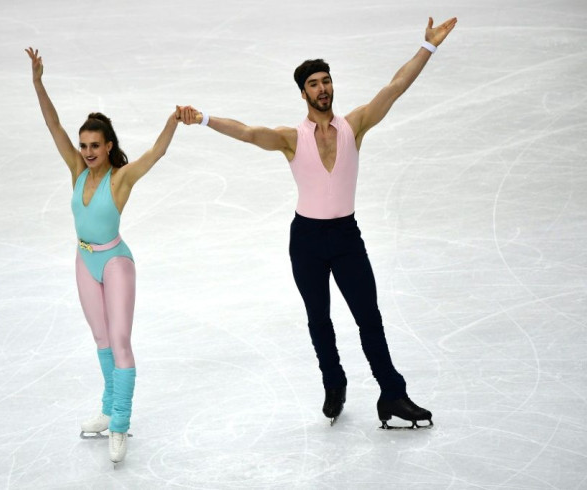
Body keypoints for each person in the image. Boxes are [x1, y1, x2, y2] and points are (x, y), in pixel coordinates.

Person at [177, 17, 457, 428]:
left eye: (326, 81)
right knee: (318, 318)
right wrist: (202, 119)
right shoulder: (292, 137)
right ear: (303, 92)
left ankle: (392, 393)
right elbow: (250, 133)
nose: (322, 88)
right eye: (314, 83)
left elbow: (395, 88)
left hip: (346, 236)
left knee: (369, 317)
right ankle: (334, 382)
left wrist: (428, 47)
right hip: (306, 238)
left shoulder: (354, 125)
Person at [26, 47, 181, 462]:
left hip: (115, 263)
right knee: (100, 340)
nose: (88, 151)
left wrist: (171, 122)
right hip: (84, 261)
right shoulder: (77, 172)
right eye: (83, 145)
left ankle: (120, 423)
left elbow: (156, 154)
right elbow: (52, 124)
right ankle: (109, 407)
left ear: (109, 146)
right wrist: (39, 82)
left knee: (120, 341)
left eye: (95, 145)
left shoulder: (120, 178)